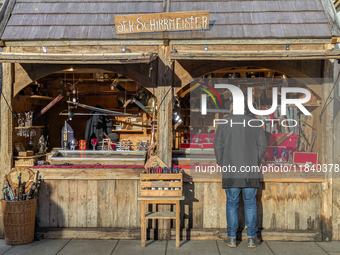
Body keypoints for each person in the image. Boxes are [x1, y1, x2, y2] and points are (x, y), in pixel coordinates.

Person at [213, 100, 267, 248]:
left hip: (231, 169)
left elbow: (217, 144)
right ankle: (251, 238)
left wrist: (222, 162)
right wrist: (255, 161)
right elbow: (262, 145)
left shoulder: (225, 122)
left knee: (232, 203)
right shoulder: (255, 122)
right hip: (250, 170)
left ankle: (231, 238)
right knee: (250, 204)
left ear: (232, 108)